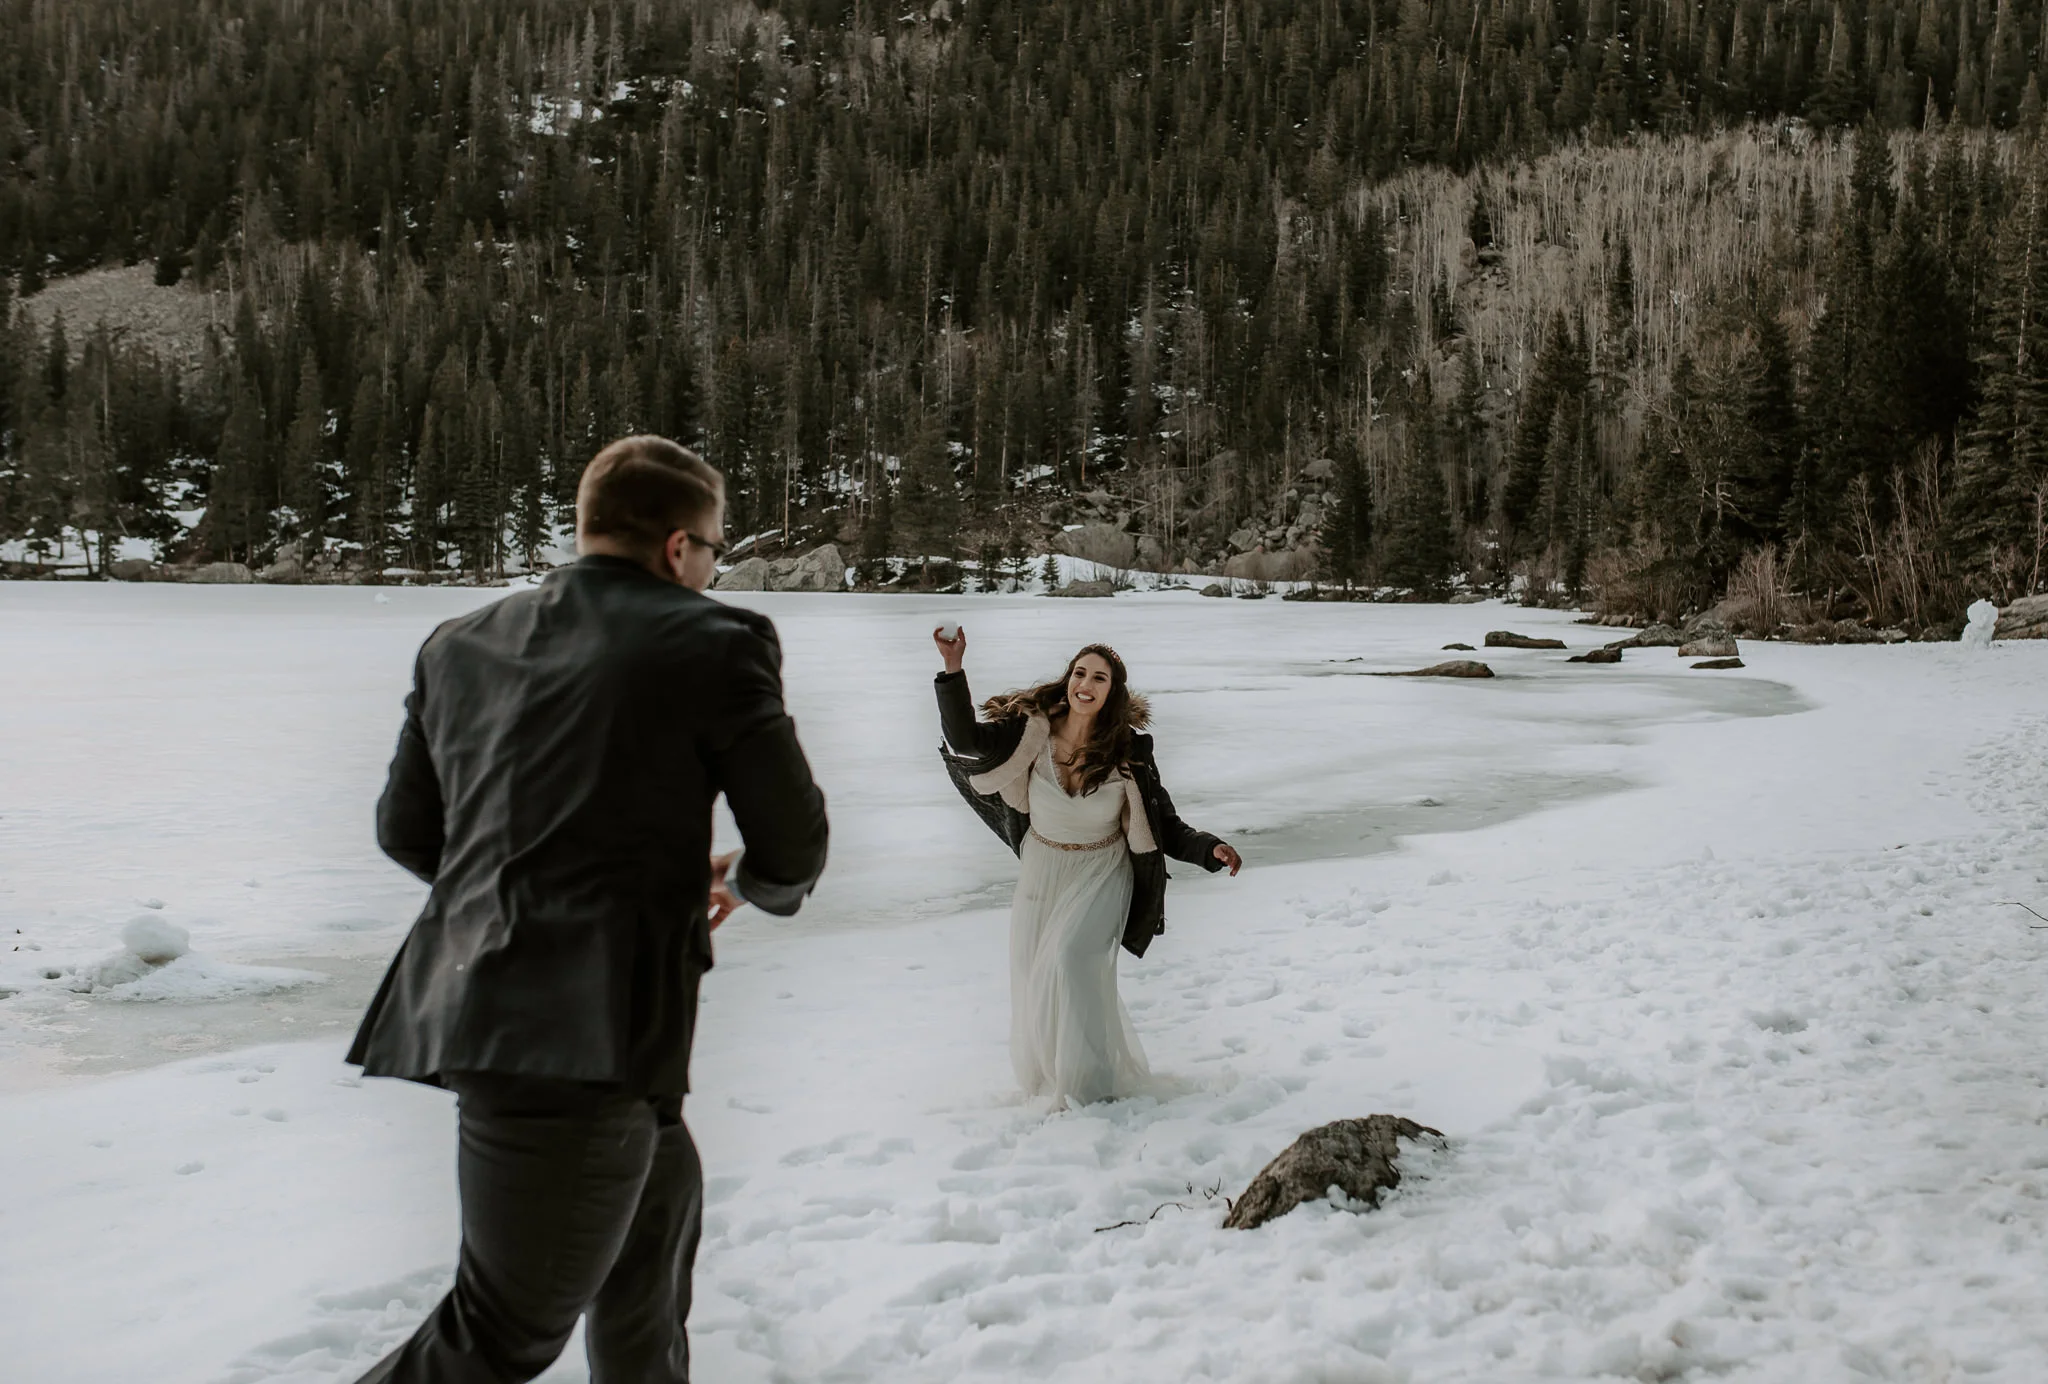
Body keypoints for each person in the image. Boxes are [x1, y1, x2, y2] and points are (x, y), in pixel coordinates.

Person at [347, 435, 829, 1383]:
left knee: (655, 1226)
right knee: (500, 1333)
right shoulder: (716, 639)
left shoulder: (459, 642)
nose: (712, 569)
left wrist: (538, 891)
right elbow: (794, 848)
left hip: (505, 1015)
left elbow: (409, 833)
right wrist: (733, 886)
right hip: (573, 1044)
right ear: (680, 546)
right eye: (715, 550)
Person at [932, 627, 1240, 1108]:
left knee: (1073, 960)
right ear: (1068, 679)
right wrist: (953, 668)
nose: (1086, 683)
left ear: (1112, 692)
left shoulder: (1128, 753)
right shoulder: (1030, 732)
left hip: (1102, 871)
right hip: (1042, 866)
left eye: (1100, 677)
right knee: (1035, 973)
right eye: (1080, 672)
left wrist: (1209, 849)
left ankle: (1088, 1088)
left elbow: (1165, 822)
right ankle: (1052, 1076)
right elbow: (966, 742)